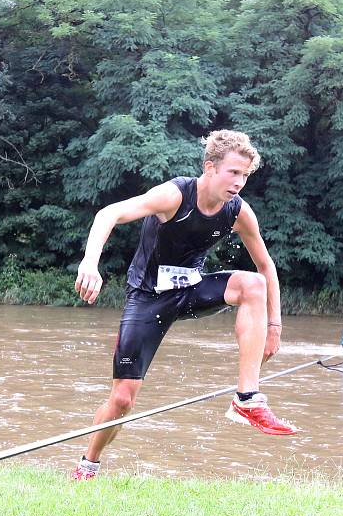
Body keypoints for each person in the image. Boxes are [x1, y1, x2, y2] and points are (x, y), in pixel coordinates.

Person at [70, 130, 296, 481]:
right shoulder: (174, 195)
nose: (239, 183)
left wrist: (274, 326)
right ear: (210, 168)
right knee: (124, 400)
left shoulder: (238, 211)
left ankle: (247, 398)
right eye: (233, 173)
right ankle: (88, 464)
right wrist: (89, 263)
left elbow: (267, 266)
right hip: (148, 299)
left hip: (191, 290)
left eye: (245, 176)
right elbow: (108, 214)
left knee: (254, 283)